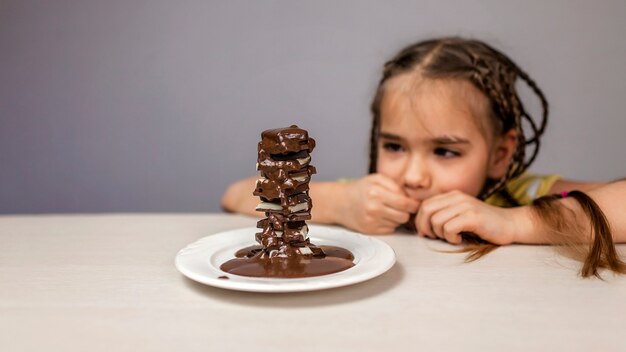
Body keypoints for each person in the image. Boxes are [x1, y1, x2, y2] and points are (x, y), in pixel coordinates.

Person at [222, 37, 626, 278]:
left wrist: (514, 221)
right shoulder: (368, 198)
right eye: (395, 146)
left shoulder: (520, 193)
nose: (413, 175)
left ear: (501, 155)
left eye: (445, 151)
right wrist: (342, 204)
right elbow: (236, 195)